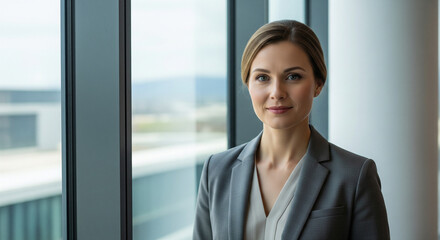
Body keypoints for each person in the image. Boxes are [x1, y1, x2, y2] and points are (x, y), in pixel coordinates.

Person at [193, 20, 389, 240]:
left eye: (293, 76)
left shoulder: (354, 176)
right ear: (248, 84)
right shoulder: (217, 171)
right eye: (262, 78)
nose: (277, 92)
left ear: (318, 83)